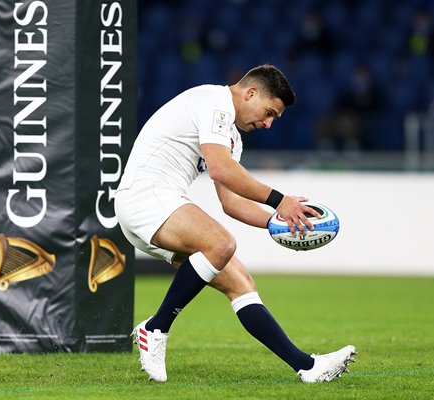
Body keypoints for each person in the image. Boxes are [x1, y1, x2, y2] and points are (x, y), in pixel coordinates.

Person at [114, 65, 356, 383]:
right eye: (270, 112)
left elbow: (231, 203)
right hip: (145, 197)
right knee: (221, 243)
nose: (268, 123)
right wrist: (280, 200)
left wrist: (279, 220)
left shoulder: (231, 138)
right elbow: (220, 170)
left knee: (242, 283)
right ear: (251, 93)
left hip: (156, 208)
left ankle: (307, 367)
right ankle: (156, 328)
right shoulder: (215, 102)